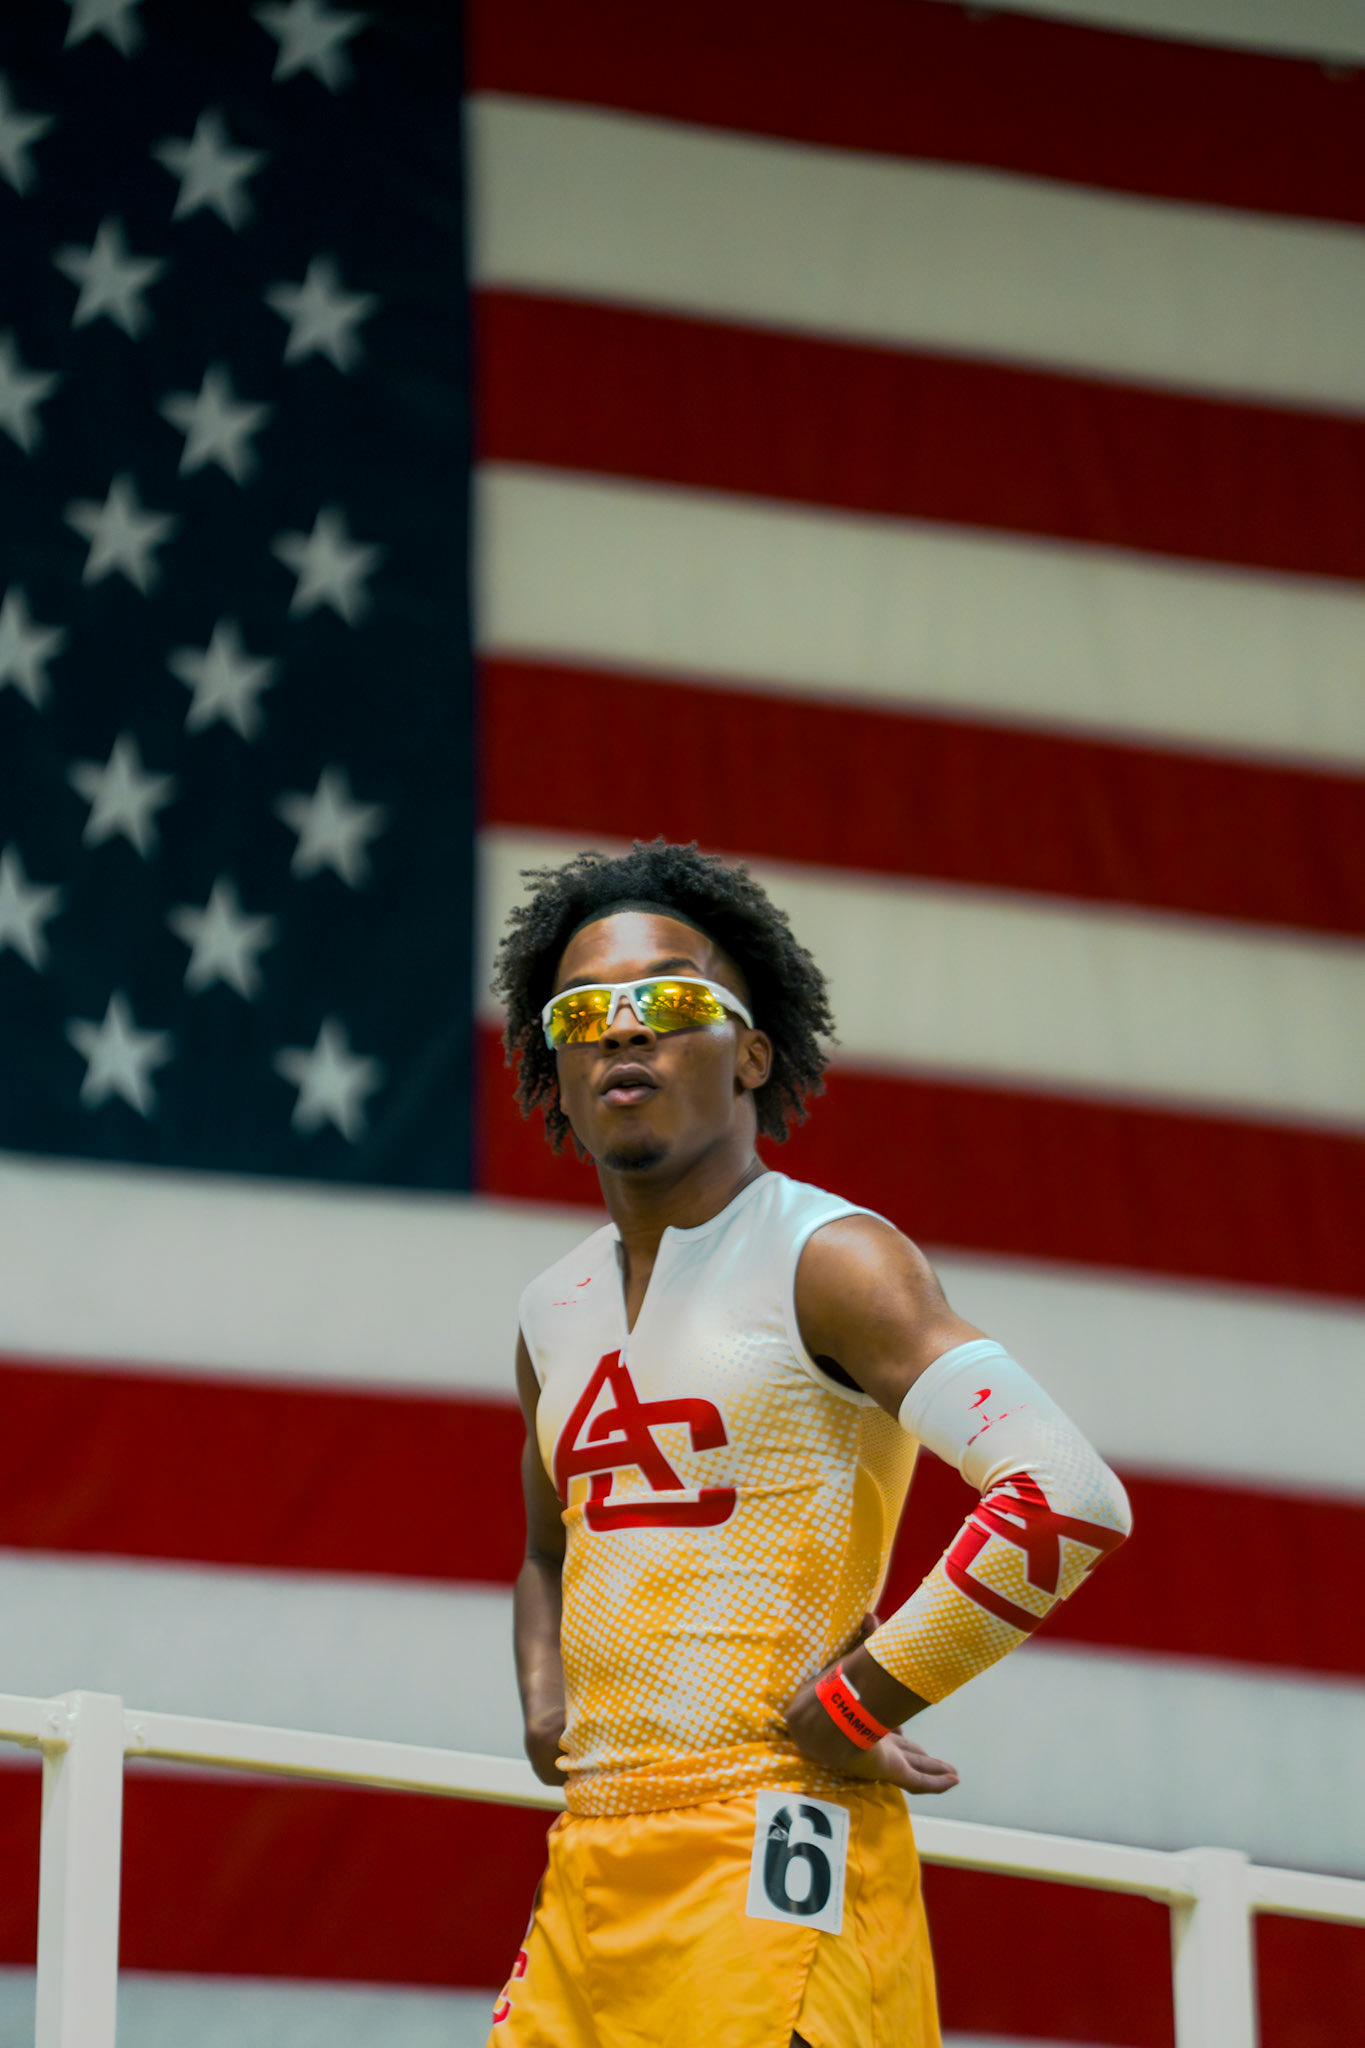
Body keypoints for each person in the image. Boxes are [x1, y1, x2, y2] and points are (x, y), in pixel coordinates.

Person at [486, 841, 1131, 2048]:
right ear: (553, 1068)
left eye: (671, 999)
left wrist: (861, 1696)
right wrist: (543, 1700)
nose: (623, 1028)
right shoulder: (550, 1310)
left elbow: (1066, 1490)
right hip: (589, 1867)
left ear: (753, 1052)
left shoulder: (832, 1258)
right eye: (581, 1012)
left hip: (779, 1842)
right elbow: (545, 1550)